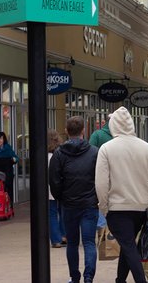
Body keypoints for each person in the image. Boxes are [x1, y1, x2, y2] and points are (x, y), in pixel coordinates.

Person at [95, 106, 148, 283]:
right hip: (141, 208)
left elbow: (101, 183)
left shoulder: (106, 149)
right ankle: (120, 279)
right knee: (127, 244)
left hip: (117, 208)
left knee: (129, 246)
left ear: (113, 125)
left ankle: (141, 280)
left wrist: (103, 207)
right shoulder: (146, 148)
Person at [49, 117, 100, 283]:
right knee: (89, 242)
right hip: (89, 204)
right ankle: (89, 277)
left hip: (69, 204)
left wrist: (60, 198)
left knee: (72, 242)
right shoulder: (94, 152)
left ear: (66, 131)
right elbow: (100, 177)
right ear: (83, 131)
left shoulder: (59, 153)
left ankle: (75, 277)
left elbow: (54, 180)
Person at [89, 115, 113, 233]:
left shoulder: (97, 135)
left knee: (101, 196)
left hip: (100, 173)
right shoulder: (125, 137)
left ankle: (101, 228)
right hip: (119, 176)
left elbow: (90, 154)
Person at [47, 129, 66, 248]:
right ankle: (64, 235)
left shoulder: (45, 157)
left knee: (52, 213)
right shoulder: (61, 154)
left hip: (49, 189)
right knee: (63, 212)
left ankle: (56, 239)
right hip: (62, 187)